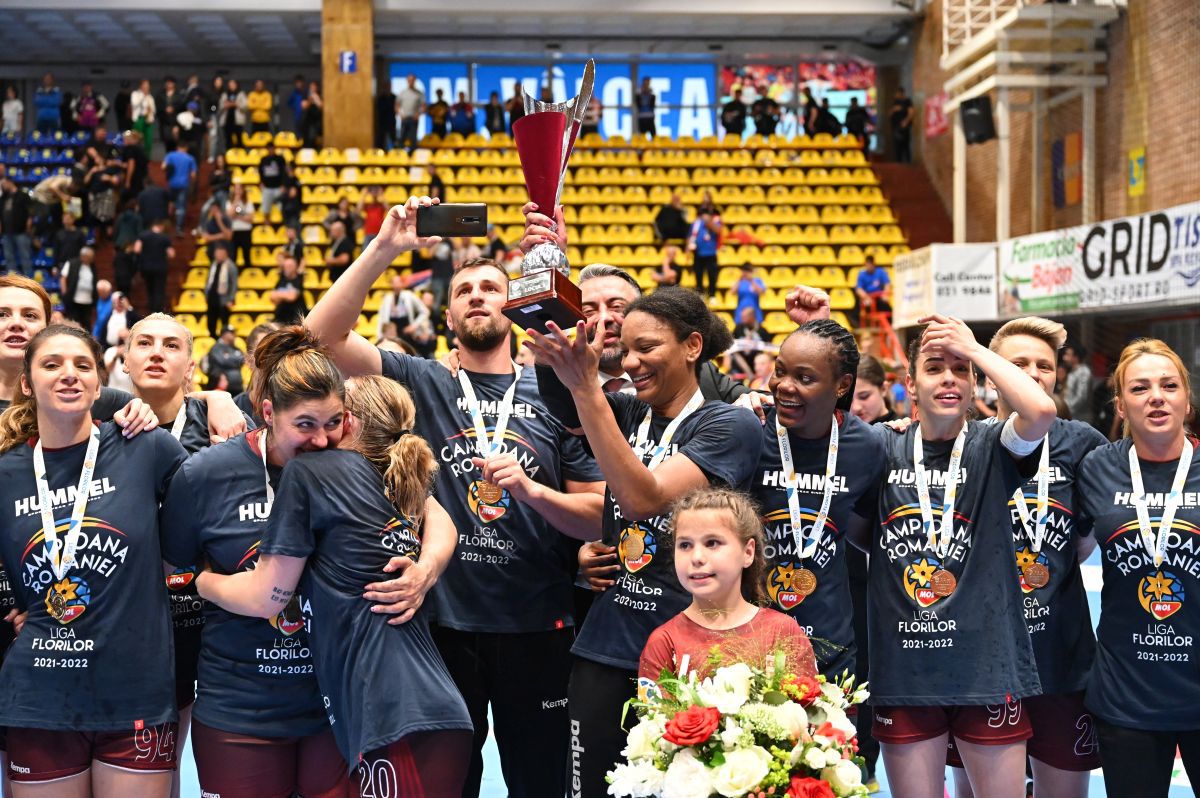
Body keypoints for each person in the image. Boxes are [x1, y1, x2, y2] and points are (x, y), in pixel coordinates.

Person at [306, 198, 606, 798]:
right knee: (444, 787)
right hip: (439, 620)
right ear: (447, 317)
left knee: (541, 785)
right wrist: (386, 246)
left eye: (491, 287)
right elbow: (319, 337)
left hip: (537, 622)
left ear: (513, 306)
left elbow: (596, 513)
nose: (477, 296)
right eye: (464, 289)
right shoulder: (423, 378)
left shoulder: (557, 387)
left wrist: (532, 490)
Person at [525, 286, 761, 798]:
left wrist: (588, 389)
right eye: (625, 350)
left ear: (692, 345)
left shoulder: (729, 424)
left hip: (692, 649)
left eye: (647, 347)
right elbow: (563, 393)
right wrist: (549, 274)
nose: (630, 362)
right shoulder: (629, 414)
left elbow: (644, 499)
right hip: (607, 644)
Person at [195, 364, 474, 796]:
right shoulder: (394, 475)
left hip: (393, 712)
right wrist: (426, 570)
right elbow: (447, 524)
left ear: (352, 422)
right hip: (416, 706)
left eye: (334, 418)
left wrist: (202, 582)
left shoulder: (317, 472)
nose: (321, 435)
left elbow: (267, 597)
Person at [161, 327, 367, 798]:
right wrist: (202, 582)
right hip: (239, 707)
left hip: (333, 702)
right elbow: (170, 570)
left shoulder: (354, 465)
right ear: (269, 413)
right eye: (305, 425)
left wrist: (426, 568)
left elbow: (430, 511)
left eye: (332, 422)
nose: (320, 440)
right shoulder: (205, 474)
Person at [867, 314, 1057, 798]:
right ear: (910, 384)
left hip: (986, 668)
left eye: (960, 370)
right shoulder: (881, 446)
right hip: (905, 669)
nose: (949, 378)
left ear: (976, 381)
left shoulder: (994, 444)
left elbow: (1039, 410)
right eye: (934, 368)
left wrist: (973, 349)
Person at [0, 324, 188, 797]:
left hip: (135, 689)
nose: (68, 375)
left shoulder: (145, 448)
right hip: (39, 692)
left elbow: (213, 522)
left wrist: (216, 402)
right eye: (51, 365)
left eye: (82, 365)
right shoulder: (5, 473)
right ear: (27, 384)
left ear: (99, 384)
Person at [945, 317, 1109, 798]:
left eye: (1045, 365)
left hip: (1060, 654)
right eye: (1019, 363)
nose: (1034, 374)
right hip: (980, 660)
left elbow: (1083, 540)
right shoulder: (959, 444)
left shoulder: (1083, 444)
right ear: (992, 371)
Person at [1075, 338, 1200, 797]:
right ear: (1121, 405)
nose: (1156, 396)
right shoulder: (1096, 469)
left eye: (1169, 385)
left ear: (1187, 399)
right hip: (1127, 695)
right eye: (1140, 388)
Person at [640, 487, 817, 682]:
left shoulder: (783, 632)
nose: (697, 557)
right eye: (685, 545)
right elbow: (655, 712)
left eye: (712, 543)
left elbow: (806, 707)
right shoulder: (664, 643)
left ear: (748, 552)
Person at [232, 322, 279, 422]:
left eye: (278, 350)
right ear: (248, 361)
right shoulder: (234, 410)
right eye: (265, 351)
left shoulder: (292, 406)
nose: (273, 357)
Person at [375, 274, 428, 350]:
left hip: (406, 331)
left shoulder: (409, 295)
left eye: (398, 282)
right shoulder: (387, 298)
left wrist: (414, 326)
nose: (396, 284)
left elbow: (424, 311)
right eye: (394, 282)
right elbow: (381, 318)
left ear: (402, 283)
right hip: (391, 331)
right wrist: (380, 335)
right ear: (391, 284)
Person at [133, 218, 175, 313]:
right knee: (159, 290)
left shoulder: (143, 235)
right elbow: (171, 254)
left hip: (146, 267)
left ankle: (151, 310)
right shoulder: (164, 238)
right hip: (160, 268)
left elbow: (137, 249)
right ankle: (157, 312)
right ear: (161, 226)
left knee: (150, 289)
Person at [687, 192, 721, 299]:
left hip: (710, 252)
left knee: (712, 275)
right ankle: (700, 294)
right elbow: (690, 236)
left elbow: (718, 230)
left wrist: (709, 222)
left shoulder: (715, 220)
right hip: (698, 253)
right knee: (698, 274)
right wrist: (688, 249)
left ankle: (712, 295)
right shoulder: (696, 223)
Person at [1, 175, 34, 278]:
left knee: (25, 257)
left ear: (10, 182)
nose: (3, 186)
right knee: (9, 258)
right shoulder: (3, 198)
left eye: (4, 183)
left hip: (21, 231)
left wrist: (29, 221)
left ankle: (29, 281)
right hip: (6, 232)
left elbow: (31, 210)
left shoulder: (23, 195)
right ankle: (12, 281)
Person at [204, 242, 238, 339]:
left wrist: (231, 299)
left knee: (224, 322)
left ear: (225, 253)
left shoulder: (231, 266)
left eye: (220, 253)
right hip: (212, 297)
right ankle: (212, 338)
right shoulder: (213, 264)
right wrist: (206, 294)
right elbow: (208, 280)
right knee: (211, 321)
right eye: (217, 253)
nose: (218, 255)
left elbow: (234, 284)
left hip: (224, 299)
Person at [59, 245, 97, 329]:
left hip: (88, 301)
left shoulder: (92, 266)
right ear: (83, 256)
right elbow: (63, 278)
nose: (92, 259)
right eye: (90, 257)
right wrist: (65, 293)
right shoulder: (72, 263)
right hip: (73, 300)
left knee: (87, 325)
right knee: (73, 324)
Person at [851, 354, 897, 424]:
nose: (856, 407)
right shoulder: (842, 431)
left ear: (883, 389)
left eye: (864, 396)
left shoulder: (903, 431)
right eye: (848, 400)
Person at [164, 140, 197, 233]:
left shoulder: (170, 155)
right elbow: (193, 175)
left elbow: (163, 167)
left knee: (170, 202)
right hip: (183, 185)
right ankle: (179, 227)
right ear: (186, 148)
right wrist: (192, 185)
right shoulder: (190, 158)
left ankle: (168, 223)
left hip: (172, 184)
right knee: (181, 206)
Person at [1062, 343, 1094, 426]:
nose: (1064, 358)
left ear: (1075, 357)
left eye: (1068, 355)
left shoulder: (1084, 372)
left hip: (1080, 420)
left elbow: (1081, 398)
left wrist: (1066, 411)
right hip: (1071, 418)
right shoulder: (1073, 371)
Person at [853, 254, 890, 325]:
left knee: (887, 307)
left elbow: (887, 284)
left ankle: (890, 325)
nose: (869, 266)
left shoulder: (881, 272)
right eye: (867, 264)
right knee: (863, 307)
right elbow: (859, 289)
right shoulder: (862, 274)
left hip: (879, 298)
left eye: (870, 264)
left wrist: (885, 295)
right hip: (868, 298)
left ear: (873, 264)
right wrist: (866, 297)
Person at [225, 183, 255, 269]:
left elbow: (250, 219)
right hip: (234, 232)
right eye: (236, 189)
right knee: (233, 256)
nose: (238, 191)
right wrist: (235, 201)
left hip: (246, 232)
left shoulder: (248, 203)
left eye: (239, 189)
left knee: (247, 255)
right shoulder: (229, 203)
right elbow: (229, 215)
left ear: (243, 190)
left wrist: (237, 216)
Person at [270, 254, 306, 325]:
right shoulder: (281, 280)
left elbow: (292, 297)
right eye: (285, 266)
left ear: (295, 267)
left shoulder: (298, 280)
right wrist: (286, 294)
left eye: (290, 266)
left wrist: (279, 294)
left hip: (295, 320)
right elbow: (272, 297)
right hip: (280, 318)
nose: (287, 268)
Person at [258, 143, 288, 218]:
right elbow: (260, 172)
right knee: (266, 211)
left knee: (282, 208)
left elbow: (284, 172)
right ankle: (267, 228)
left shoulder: (280, 159)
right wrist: (261, 182)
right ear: (267, 149)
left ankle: (284, 226)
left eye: (272, 148)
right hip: (267, 188)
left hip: (278, 187)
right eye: (269, 148)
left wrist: (283, 184)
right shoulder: (263, 159)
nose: (271, 150)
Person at [131, 79, 156, 157]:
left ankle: (147, 158)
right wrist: (143, 96)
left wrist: (151, 118)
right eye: (145, 85)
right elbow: (134, 104)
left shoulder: (150, 96)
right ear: (141, 86)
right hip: (139, 119)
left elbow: (153, 109)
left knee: (148, 140)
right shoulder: (135, 94)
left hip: (148, 119)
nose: (147, 87)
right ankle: (135, 157)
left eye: (148, 85)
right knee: (137, 139)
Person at [324, 220, 354, 284]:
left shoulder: (345, 242)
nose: (330, 233)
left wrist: (331, 261)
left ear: (338, 231)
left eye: (332, 230)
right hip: (337, 279)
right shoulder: (335, 242)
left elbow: (344, 259)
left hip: (343, 279)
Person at [890, 86, 914, 163]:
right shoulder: (895, 102)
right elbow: (890, 113)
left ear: (901, 93)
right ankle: (898, 162)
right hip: (896, 127)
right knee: (897, 146)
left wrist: (905, 122)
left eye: (897, 93)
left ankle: (908, 163)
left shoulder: (907, 101)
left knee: (905, 146)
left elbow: (911, 113)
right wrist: (894, 110)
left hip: (904, 128)